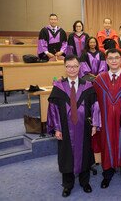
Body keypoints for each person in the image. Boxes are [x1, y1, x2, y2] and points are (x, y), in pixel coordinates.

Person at [47, 55, 100, 197]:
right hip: (65, 128)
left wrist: (95, 124)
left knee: (85, 153)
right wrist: (57, 128)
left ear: (79, 67)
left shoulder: (87, 86)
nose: (72, 69)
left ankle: (85, 182)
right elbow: (53, 108)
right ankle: (68, 184)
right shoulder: (59, 87)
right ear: (65, 67)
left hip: (84, 128)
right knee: (66, 155)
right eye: (69, 66)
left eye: (75, 66)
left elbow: (95, 105)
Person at [93, 48, 121, 189]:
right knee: (107, 145)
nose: (113, 60)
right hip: (105, 122)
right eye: (110, 58)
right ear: (106, 61)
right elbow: (95, 104)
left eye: (116, 58)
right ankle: (107, 174)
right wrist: (96, 123)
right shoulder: (99, 80)